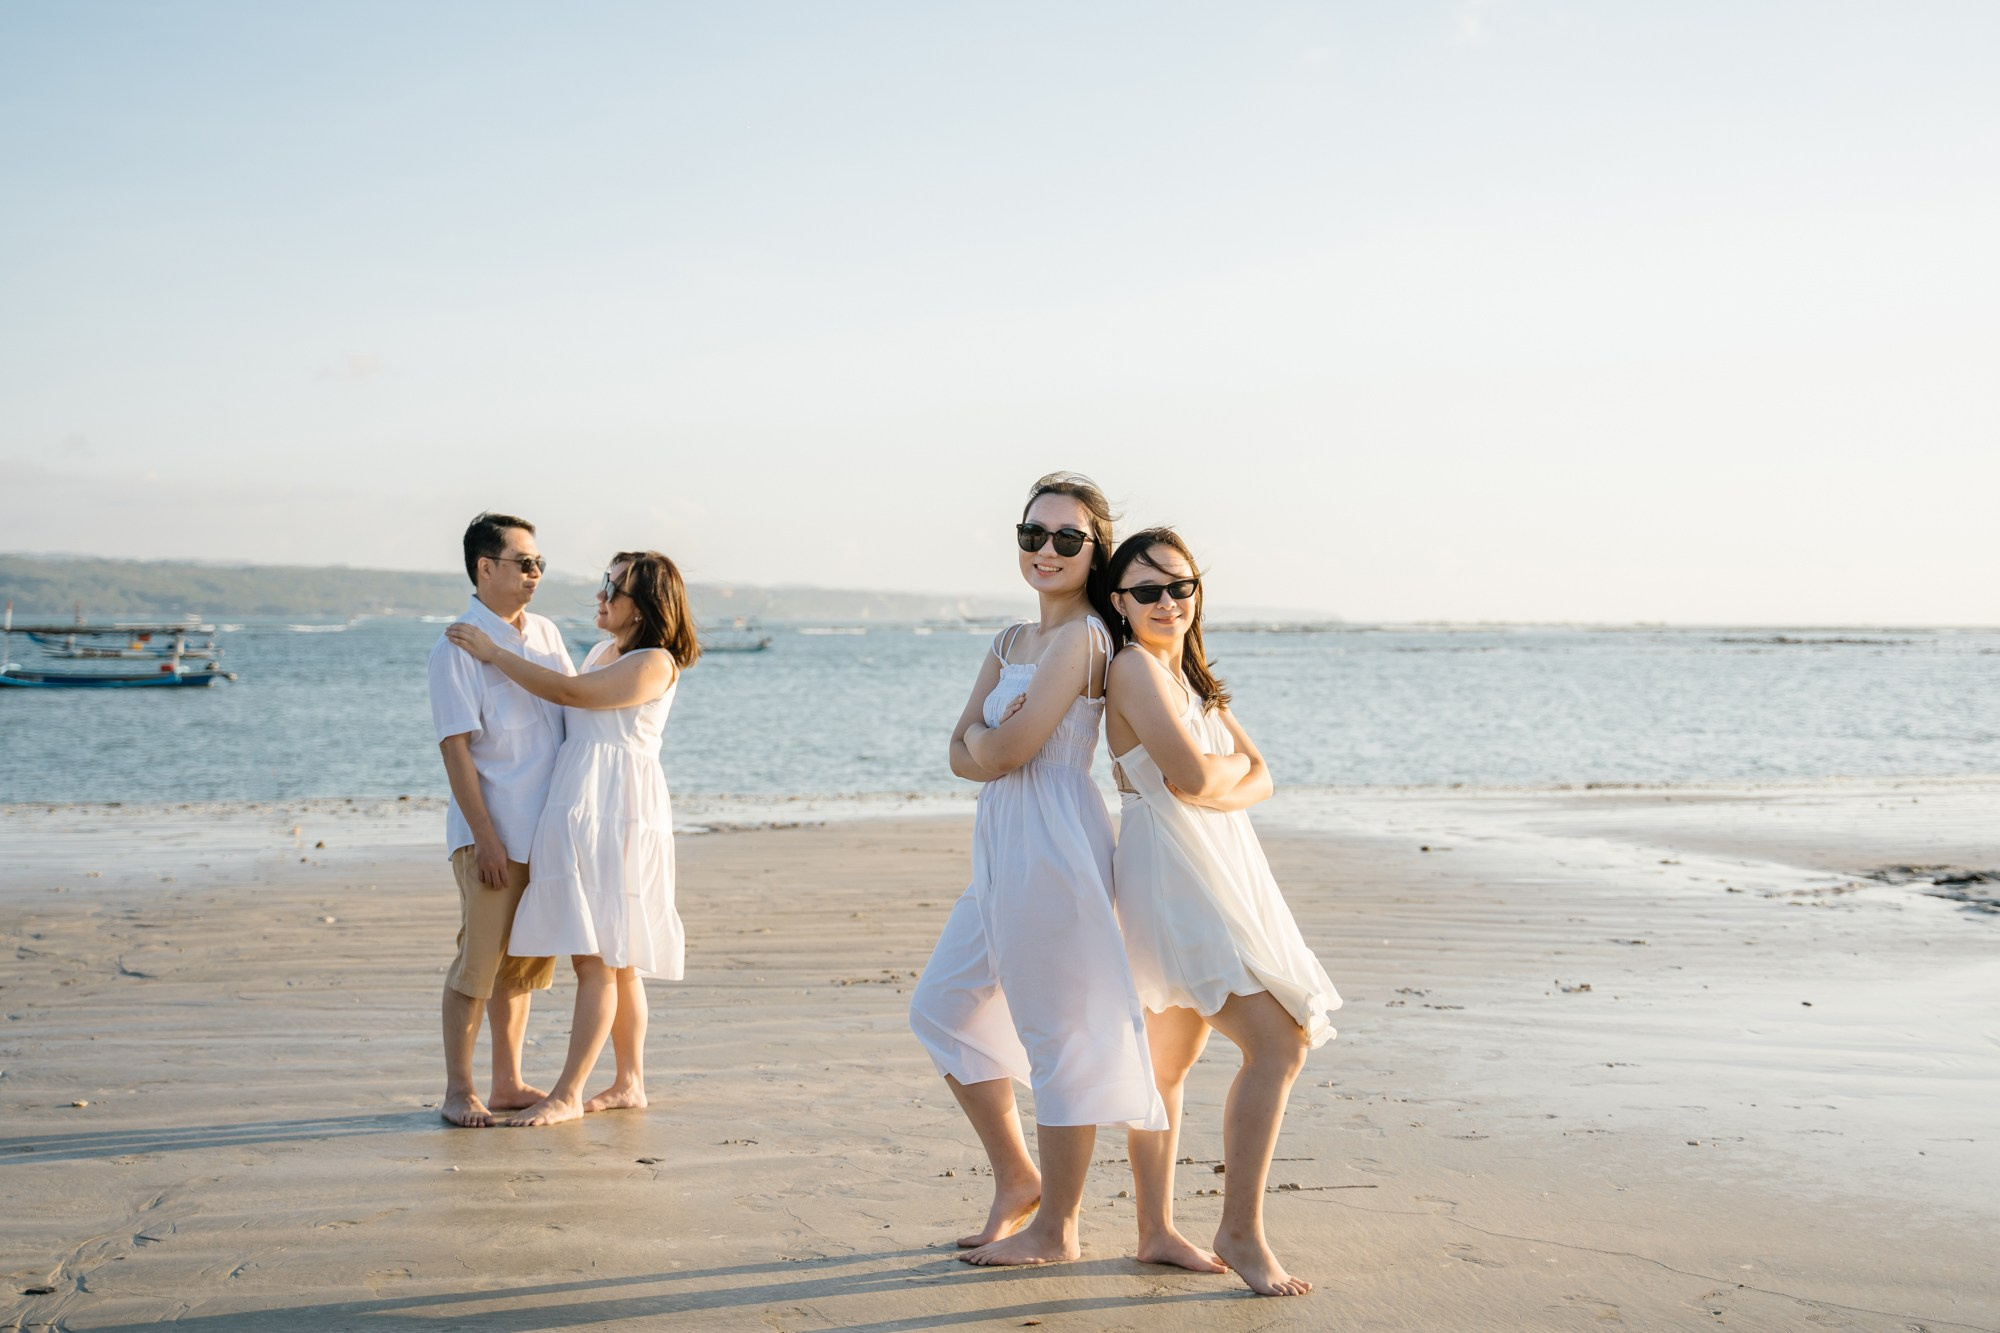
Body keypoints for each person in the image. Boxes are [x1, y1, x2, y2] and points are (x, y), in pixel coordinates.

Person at [909, 472, 1168, 1267]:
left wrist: (989, 745)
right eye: (1033, 535)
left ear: (1094, 552)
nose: (1045, 551)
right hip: (1001, 843)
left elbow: (1004, 750)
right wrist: (988, 745)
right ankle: (1018, 1176)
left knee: (1058, 1032)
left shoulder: (1086, 639)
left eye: (1066, 538)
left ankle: (1058, 1229)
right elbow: (958, 754)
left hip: (1054, 840)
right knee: (942, 1004)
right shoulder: (1008, 642)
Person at [1103, 527, 1341, 1297]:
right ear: (1119, 602)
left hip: (1212, 863)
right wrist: (1220, 776)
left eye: (1180, 585)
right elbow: (1192, 777)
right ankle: (1238, 1227)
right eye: (1147, 590)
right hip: (1176, 874)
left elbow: (1254, 777)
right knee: (1279, 1040)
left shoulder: (1193, 678)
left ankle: (1153, 1230)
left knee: (1168, 1061)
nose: (1167, 601)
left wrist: (1220, 776)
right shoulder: (1133, 669)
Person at [446, 550, 698, 1128]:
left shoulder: (655, 661)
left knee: (600, 957)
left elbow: (572, 696)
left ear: (648, 604)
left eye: (613, 585)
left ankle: (567, 1091)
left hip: (617, 809)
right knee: (619, 959)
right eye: (603, 581)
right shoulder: (603, 650)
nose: (601, 594)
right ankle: (629, 1081)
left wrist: (495, 653)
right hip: (590, 803)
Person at [427, 512, 574, 1128]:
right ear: (486, 568)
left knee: (523, 964)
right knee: (478, 962)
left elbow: (569, 707)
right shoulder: (456, 646)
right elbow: (456, 749)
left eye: (540, 563)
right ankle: (459, 1091)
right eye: (524, 563)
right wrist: (485, 837)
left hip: (544, 832)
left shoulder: (543, 631)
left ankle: (508, 1081)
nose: (536, 573)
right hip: (492, 834)